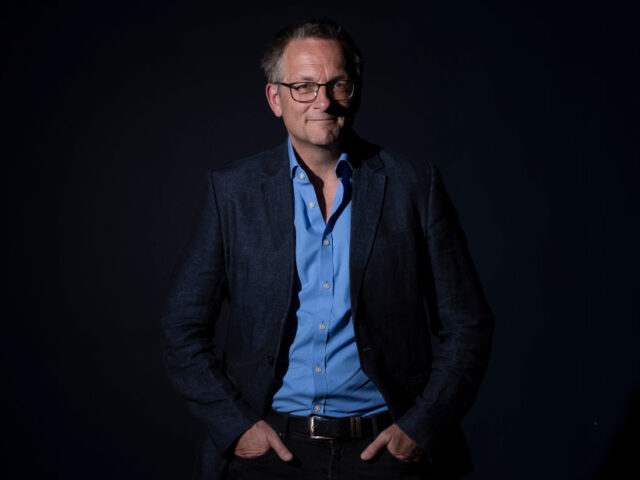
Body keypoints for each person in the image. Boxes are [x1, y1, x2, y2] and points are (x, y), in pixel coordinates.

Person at [162, 19, 494, 480]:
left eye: (337, 84)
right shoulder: (232, 192)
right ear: (275, 98)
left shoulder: (414, 186)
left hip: (387, 456)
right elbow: (182, 327)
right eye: (303, 86)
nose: (323, 101)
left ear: (353, 91)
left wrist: (422, 427)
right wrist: (237, 428)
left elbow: (467, 323)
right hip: (269, 457)